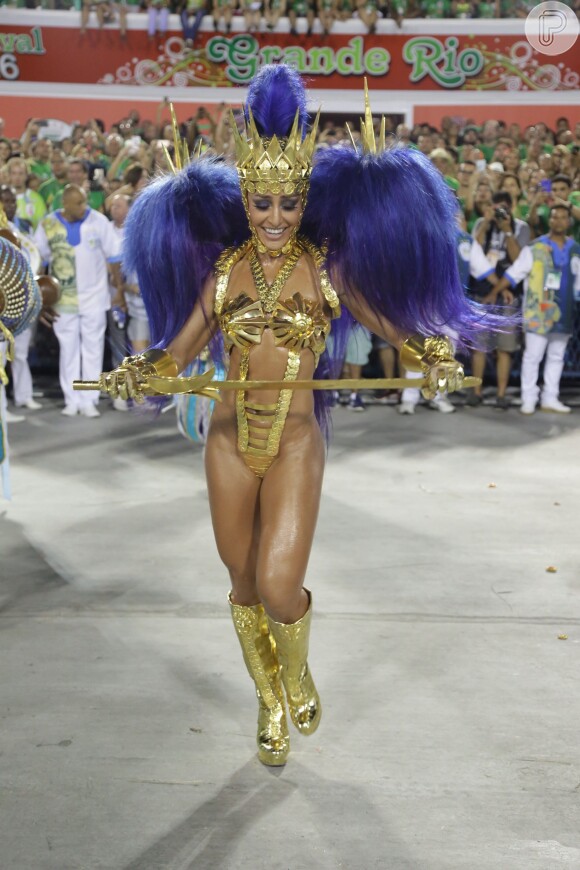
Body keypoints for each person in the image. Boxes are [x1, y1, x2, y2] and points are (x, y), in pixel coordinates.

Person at [88, 66, 495, 767]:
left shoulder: (327, 270)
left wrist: (432, 352)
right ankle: (269, 696)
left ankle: (296, 664)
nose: (274, 217)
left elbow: (394, 327)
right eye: (261, 203)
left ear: (303, 198)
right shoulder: (221, 272)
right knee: (242, 582)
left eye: (286, 203)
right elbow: (176, 350)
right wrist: (139, 371)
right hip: (226, 438)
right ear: (244, 198)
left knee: (280, 587)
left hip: (296, 442)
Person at [34, 184, 123, 417]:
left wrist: (119, 290)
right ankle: (71, 398)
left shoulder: (98, 221)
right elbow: (38, 261)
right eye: (79, 203)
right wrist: (42, 297)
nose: (85, 206)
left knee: (93, 349)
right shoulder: (48, 225)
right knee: (68, 349)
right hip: (63, 301)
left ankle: (89, 399)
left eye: (85, 201)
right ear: (65, 203)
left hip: (95, 297)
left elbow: (114, 257)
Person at [520, 204, 579, 415]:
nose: (559, 221)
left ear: (568, 222)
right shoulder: (535, 247)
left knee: (556, 356)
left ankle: (550, 398)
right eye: (555, 217)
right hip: (538, 313)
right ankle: (528, 398)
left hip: (565, 311)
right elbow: (516, 273)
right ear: (550, 220)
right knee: (532, 356)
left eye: (564, 217)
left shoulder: (575, 249)